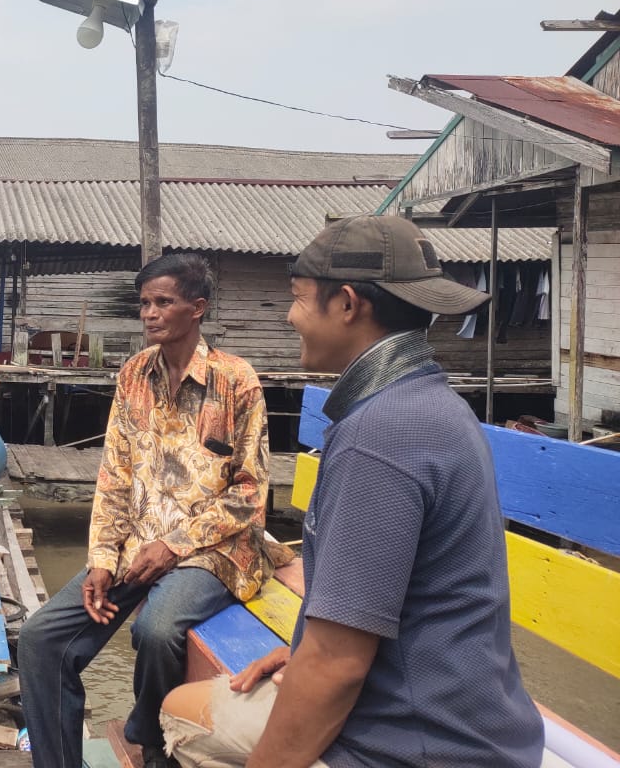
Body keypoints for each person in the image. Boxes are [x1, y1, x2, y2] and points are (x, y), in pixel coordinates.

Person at [161, 214, 546, 768]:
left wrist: (310, 666)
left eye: (296, 298)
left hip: (423, 746)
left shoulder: (378, 436)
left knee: (180, 712)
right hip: (478, 718)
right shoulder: (434, 405)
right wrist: (301, 650)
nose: (290, 316)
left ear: (346, 304)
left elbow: (338, 665)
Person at [19, 253, 271, 768]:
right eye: (144, 303)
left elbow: (249, 493)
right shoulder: (134, 375)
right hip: (138, 545)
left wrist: (173, 545)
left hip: (212, 550)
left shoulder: (236, 380)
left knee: (155, 630)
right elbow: (114, 475)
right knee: (41, 640)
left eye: (163, 302)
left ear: (196, 308)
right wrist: (101, 560)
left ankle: (151, 739)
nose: (150, 314)